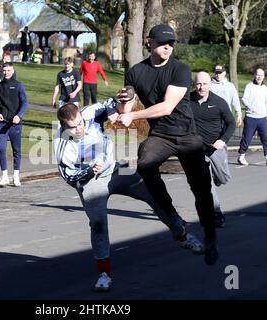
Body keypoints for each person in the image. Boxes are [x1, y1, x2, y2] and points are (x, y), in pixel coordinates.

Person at [54, 101, 203, 292]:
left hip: (115, 171)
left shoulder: (89, 113)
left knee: (152, 192)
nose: (80, 128)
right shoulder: (62, 143)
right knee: (98, 224)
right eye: (73, 127)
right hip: (90, 182)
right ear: (64, 126)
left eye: (81, 123)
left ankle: (181, 234)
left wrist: (120, 106)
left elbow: (113, 102)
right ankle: (104, 274)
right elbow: (69, 177)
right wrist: (89, 173)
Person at [114, 24, 218, 266]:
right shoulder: (135, 72)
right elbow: (125, 108)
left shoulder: (180, 69)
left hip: (186, 134)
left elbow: (167, 107)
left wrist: (134, 116)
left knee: (201, 188)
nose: (168, 47)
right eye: (163, 43)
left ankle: (211, 238)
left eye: (171, 44)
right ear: (149, 42)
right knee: (145, 163)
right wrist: (123, 105)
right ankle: (172, 217)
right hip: (160, 134)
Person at [190, 71, 236, 229]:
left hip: (216, 148)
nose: (201, 87)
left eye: (204, 84)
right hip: (197, 150)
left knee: (223, 179)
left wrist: (222, 140)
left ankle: (218, 176)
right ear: (194, 84)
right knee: (206, 184)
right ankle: (217, 214)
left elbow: (231, 124)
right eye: (198, 84)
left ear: (210, 85)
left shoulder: (219, 102)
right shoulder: (187, 101)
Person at [0, 63, 28, 187]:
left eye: (9, 70)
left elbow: (25, 103)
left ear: (13, 71)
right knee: (1, 148)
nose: (6, 72)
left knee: (16, 150)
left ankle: (16, 176)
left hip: (15, 124)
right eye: (4, 70)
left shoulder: (19, 85)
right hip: (2, 124)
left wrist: (19, 115)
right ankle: (4, 176)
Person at [237, 68, 267, 167]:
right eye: (257, 75)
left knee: (265, 138)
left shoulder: (264, 88)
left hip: (262, 118)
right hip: (251, 118)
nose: (259, 77)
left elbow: (265, 102)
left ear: (264, 77)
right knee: (247, 138)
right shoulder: (249, 86)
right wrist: (250, 108)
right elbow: (244, 99)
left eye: (261, 75)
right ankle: (241, 156)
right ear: (254, 75)